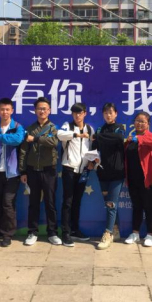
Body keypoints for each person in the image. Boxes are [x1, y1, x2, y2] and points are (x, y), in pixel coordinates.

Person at [19, 97, 60, 246]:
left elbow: (53, 142)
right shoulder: (30, 128)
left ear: (49, 110)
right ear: (35, 111)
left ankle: (52, 233)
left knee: (50, 203)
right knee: (33, 203)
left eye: (44, 108)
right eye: (39, 108)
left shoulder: (53, 128)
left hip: (49, 170)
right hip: (32, 171)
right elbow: (24, 150)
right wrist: (23, 171)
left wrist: (36, 139)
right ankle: (32, 232)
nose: (42, 111)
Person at [0, 98, 25, 248]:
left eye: (7, 109)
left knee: (8, 204)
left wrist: (1, 137)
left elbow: (17, 140)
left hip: (12, 173)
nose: (5, 112)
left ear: (12, 111)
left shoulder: (17, 127)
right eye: (2, 109)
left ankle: (8, 234)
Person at [57, 103, 94, 247]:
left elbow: (93, 148)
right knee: (68, 201)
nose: (77, 115)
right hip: (69, 169)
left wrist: (92, 162)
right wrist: (77, 135)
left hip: (84, 170)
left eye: (80, 113)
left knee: (77, 201)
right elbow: (59, 135)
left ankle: (74, 229)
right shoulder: (68, 126)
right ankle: (65, 233)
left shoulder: (89, 129)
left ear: (85, 113)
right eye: (74, 113)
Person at [92, 103, 125, 250]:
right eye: (105, 113)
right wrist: (92, 159)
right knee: (109, 204)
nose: (108, 115)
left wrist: (99, 137)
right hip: (102, 172)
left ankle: (107, 234)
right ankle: (116, 231)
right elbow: (94, 146)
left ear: (116, 114)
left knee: (111, 204)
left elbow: (118, 138)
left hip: (117, 173)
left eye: (111, 112)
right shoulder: (100, 129)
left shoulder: (119, 128)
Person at [124, 112, 152, 247]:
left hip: (148, 178)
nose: (139, 123)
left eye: (143, 121)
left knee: (148, 205)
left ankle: (150, 234)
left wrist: (138, 139)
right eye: (137, 121)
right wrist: (127, 142)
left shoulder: (150, 136)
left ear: (148, 124)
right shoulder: (130, 139)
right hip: (133, 178)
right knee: (136, 206)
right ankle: (135, 233)